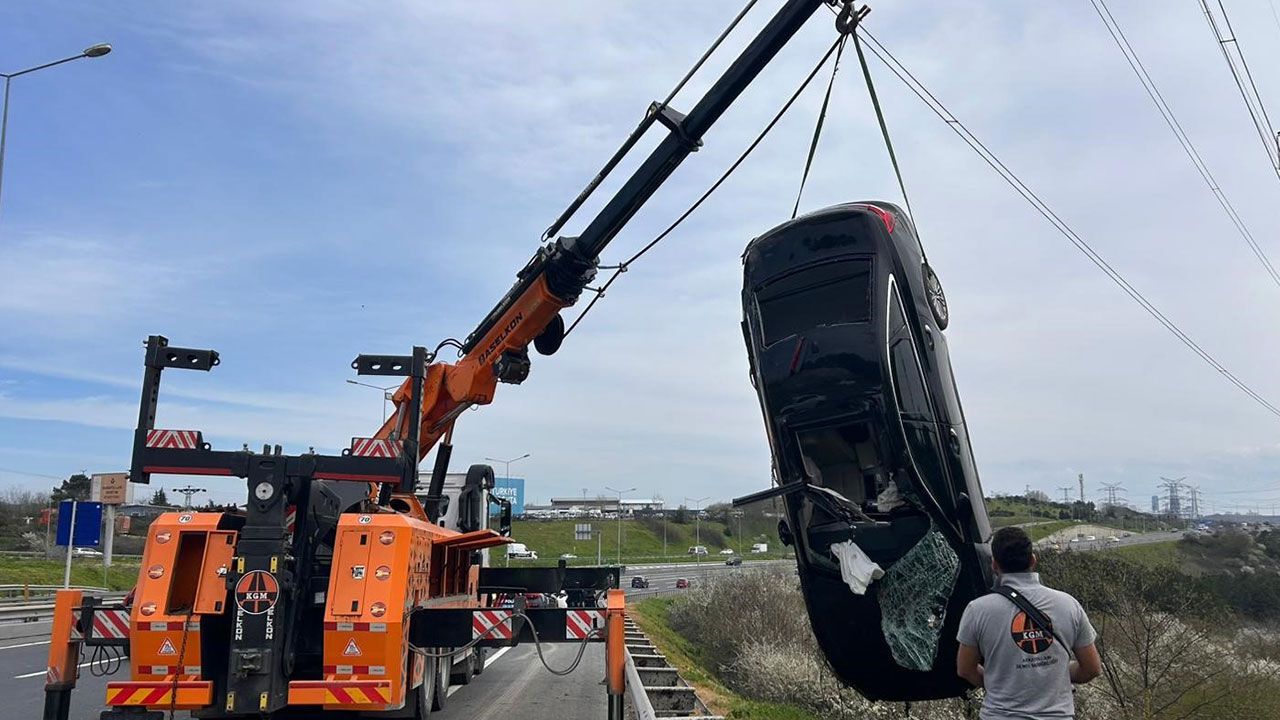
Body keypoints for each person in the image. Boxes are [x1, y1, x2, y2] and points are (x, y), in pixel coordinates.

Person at [955, 526, 1102, 719]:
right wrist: (1054, 674)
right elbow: (1092, 668)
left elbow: (965, 669)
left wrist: (997, 681)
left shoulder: (977, 610)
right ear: (1033, 560)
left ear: (994, 565)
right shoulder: (1068, 605)